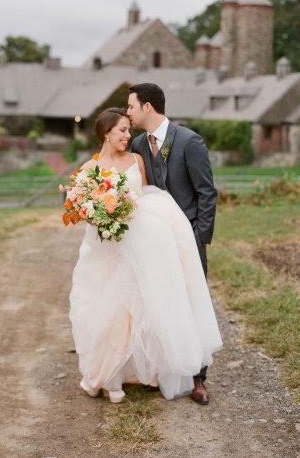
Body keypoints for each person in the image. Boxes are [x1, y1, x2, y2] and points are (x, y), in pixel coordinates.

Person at [69, 107, 222, 404]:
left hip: (136, 245)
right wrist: (100, 216)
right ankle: (108, 376)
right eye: (122, 130)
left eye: (129, 129)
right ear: (106, 133)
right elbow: (82, 208)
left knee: (138, 307)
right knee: (105, 307)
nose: (128, 135)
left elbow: (147, 196)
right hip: (105, 249)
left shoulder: (136, 160)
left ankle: (145, 371)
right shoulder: (90, 168)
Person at [127, 83, 217, 405]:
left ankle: (198, 377)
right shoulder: (138, 144)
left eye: (131, 106)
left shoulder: (189, 141)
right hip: (154, 241)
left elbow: (207, 193)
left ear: (147, 106)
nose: (128, 112)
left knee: (193, 302)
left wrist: (199, 237)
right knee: (161, 301)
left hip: (187, 237)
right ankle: (166, 368)